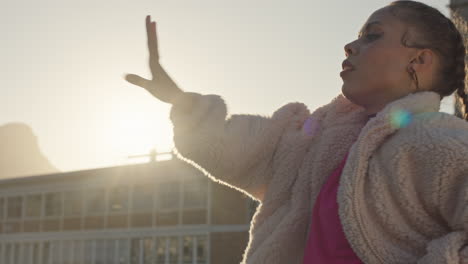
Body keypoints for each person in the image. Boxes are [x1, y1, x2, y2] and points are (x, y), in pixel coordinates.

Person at [125, 1, 468, 263]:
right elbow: (234, 150)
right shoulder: (314, 138)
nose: (350, 45)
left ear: (420, 61)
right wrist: (180, 101)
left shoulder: (436, 141)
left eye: (372, 35)